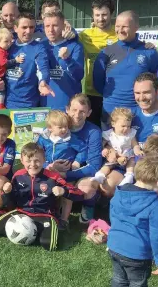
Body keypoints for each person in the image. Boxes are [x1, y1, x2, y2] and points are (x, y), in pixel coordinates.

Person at [0, 142, 85, 251]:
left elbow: (79, 194)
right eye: (28, 161)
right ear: (22, 161)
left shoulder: (53, 177)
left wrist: (64, 191)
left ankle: (38, 230)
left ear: (44, 160)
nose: (33, 164)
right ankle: (32, 231)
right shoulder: (18, 175)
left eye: (37, 160)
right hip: (21, 212)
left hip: (45, 215)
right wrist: (7, 192)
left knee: (49, 244)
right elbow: (10, 203)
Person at [101, 73, 158, 196]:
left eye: (146, 92)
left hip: (156, 170)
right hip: (127, 164)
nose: (141, 97)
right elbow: (112, 138)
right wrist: (109, 150)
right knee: (106, 186)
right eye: (137, 93)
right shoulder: (129, 115)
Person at [107, 156, 158, 285]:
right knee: (138, 283)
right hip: (137, 255)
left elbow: (113, 219)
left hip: (114, 246)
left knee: (119, 279)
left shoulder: (119, 192)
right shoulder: (156, 205)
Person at [93, 10, 158, 128]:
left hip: (138, 111)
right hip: (110, 111)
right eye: (117, 26)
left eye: (125, 26)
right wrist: (112, 96)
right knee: (109, 146)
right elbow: (98, 82)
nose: (120, 30)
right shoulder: (106, 52)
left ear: (136, 27)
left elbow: (155, 80)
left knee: (137, 145)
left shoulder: (149, 52)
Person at [0, 13, 54, 109]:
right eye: (24, 27)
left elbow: (42, 68)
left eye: (31, 27)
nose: (28, 31)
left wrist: (43, 82)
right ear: (15, 28)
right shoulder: (6, 46)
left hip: (27, 106)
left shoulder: (38, 48)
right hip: (4, 105)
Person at [62, 94, 102, 224]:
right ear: (67, 109)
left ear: (89, 113)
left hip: (79, 174)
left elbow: (94, 166)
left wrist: (68, 175)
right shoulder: (56, 125)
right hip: (58, 172)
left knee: (87, 186)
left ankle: (88, 205)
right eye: (74, 110)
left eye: (82, 111)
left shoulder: (94, 132)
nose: (77, 115)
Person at [78, 0, 118, 126]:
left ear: (111, 14)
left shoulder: (119, 34)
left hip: (112, 92)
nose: (101, 19)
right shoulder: (85, 35)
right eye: (97, 15)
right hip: (90, 92)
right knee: (92, 129)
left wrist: (147, 46)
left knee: (112, 131)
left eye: (104, 14)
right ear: (93, 15)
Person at [40, 11, 85, 111]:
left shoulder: (75, 46)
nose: (50, 30)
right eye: (47, 26)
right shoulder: (41, 46)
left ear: (63, 26)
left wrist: (68, 59)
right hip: (45, 106)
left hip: (68, 106)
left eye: (55, 25)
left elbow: (79, 75)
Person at [93, 108, 141, 189]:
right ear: (113, 124)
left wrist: (137, 150)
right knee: (107, 166)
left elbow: (134, 144)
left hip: (127, 155)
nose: (126, 129)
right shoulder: (109, 134)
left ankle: (129, 176)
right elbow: (102, 144)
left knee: (132, 162)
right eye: (123, 126)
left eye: (128, 126)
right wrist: (104, 150)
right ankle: (100, 175)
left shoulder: (131, 134)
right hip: (114, 157)